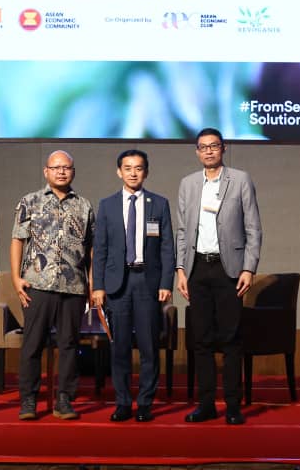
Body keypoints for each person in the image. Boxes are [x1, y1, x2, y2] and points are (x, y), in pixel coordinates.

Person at [176, 127, 262, 425]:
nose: (209, 151)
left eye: (214, 146)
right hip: (198, 268)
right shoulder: (188, 183)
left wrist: (249, 267)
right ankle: (206, 404)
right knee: (201, 340)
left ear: (223, 148)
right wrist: (180, 269)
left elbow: (253, 227)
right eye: (203, 147)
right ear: (197, 152)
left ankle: (233, 406)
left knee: (230, 339)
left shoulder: (240, 179)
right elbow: (182, 231)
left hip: (230, 269)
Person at [10, 150, 95, 420]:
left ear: (73, 171)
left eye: (66, 167)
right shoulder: (30, 201)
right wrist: (16, 278)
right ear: (46, 171)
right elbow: (18, 240)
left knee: (69, 345)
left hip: (73, 287)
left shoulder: (84, 206)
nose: (61, 172)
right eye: (56, 167)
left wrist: (92, 283)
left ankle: (64, 399)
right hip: (38, 285)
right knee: (33, 345)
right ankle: (29, 400)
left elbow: (90, 248)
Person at [92, 149, 175, 423]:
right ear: (119, 172)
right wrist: (98, 286)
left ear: (146, 172)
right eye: (127, 168)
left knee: (149, 347)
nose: (133, 173)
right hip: (117, 284)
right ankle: (123, 403)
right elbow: (100, 249)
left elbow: (167, 247)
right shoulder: (107, 205)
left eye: (138, 168)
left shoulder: (159, 204)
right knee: (120, 348)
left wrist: (166, 282)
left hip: (147, 282)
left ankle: (146, 403)